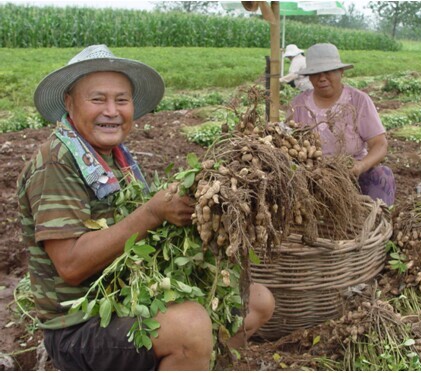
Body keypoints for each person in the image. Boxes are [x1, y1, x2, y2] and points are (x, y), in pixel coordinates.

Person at [17, 44, 274, 371]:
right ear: (69, 103)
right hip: (79, 322)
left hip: (128, 293)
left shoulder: (114, 156)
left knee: (255, 302)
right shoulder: (57, 162)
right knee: (191, 326)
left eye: (121, 100)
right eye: (98, 99)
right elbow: (70, 264)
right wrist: (152, 213)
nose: (111, 110)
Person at [289, 43, 395, 206]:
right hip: (311, 178)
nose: (322, 78)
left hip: (354, 176)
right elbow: (286, 144)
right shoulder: (298, 105)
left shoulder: (359, 101)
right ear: (309, 76)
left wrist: (360, 166)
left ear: (341, 72)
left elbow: (380, 144)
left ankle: (375, 223)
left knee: (382, 174)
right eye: (316, 73)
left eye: (329, 71)